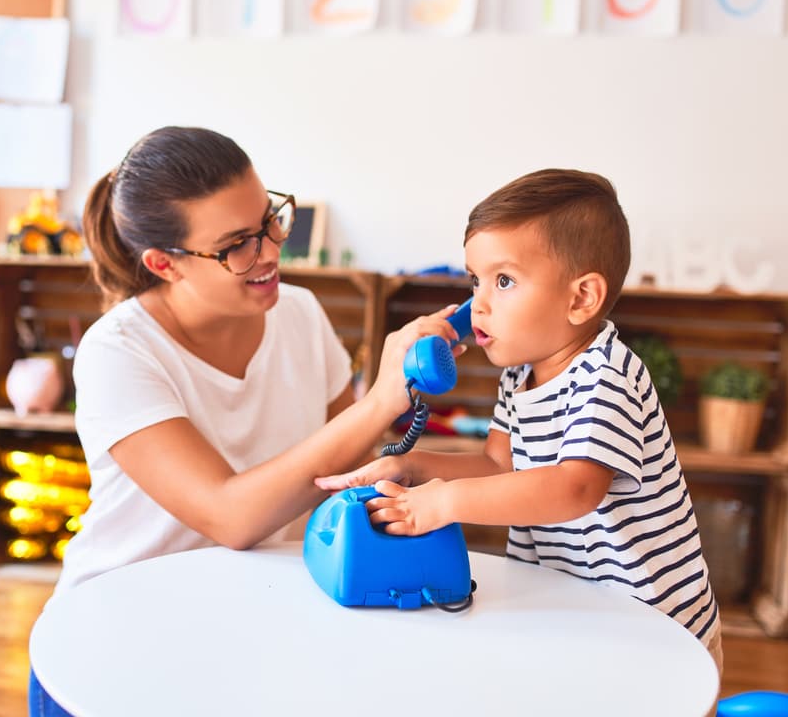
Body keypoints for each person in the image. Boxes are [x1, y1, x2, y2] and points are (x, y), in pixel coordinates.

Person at [28, 126, 463, 715]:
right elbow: (229, 515)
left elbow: (353, 466)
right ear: (164, 263)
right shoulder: (119, 352)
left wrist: (406, 396)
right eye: (236, 244)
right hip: (114, 641)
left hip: (243, 626)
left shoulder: (301, 314)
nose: (269, 252)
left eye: (269, 221)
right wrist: (378, 402)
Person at [316, 168, 723, 676]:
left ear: (581, 299)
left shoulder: (607, 376)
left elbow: (574, 488)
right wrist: (415, 467)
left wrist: (443, 503)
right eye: (474, 280)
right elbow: (499, 465)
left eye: (503, 281)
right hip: (583, 617)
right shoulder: (520, 375)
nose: (476, 305)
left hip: (656, 630)